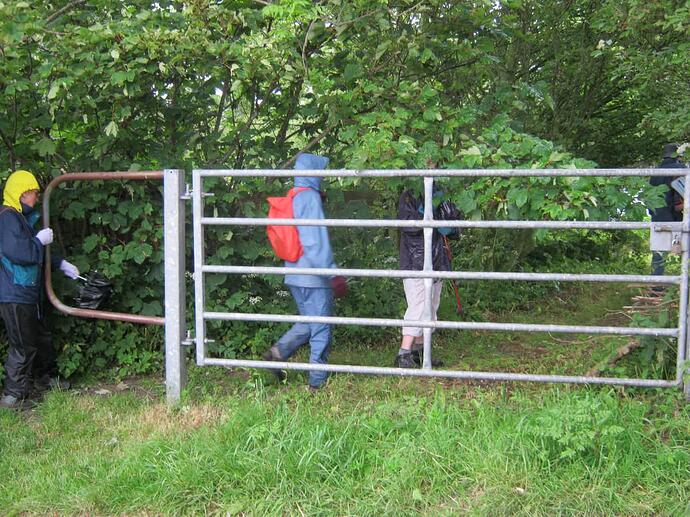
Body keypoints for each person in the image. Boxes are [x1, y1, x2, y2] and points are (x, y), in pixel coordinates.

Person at [262, 153, 346, 390]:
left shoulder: (294, 195)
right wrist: (332, 272)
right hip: (313, 275)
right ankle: (317, 382)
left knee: (309, 322)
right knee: (321, 326)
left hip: (294, 272)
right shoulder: (309, 198)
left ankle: (278, 353)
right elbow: (314, 240)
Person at [0, 170, 80, 410]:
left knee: (41, 338)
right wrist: (38, 241)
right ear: (22, 194)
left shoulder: (21, 218)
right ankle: (13, 396)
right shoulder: (7, 218)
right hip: (14, 293)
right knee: (23, 345)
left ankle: (46, 379)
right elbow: (19, 252)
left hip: (28, 292)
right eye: (33, 193)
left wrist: (60, 264)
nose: (36, 197)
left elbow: (34, 251)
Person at [396, 186, 459, 368]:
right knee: (418, 305)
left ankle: (421, 353)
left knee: (431, 306)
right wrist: (428, 216)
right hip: (416, 261)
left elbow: (455, 229)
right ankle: (404, 353)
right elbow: (407, 225)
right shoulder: (410, 194)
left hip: (437, 260)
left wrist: (444, 220)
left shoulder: (443, 194)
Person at [649, 143, 686, 277]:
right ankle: (685, 285)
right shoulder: (681, 169)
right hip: (676, 217)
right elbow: (683, 195)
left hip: (657, 216)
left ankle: (657, 285)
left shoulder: (654, 172)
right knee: (686, 252)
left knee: (658, 254)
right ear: (678, 155)